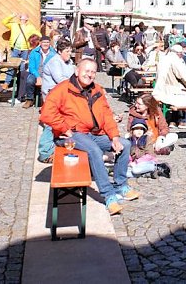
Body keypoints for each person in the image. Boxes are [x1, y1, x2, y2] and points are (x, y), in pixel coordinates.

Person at [40, 58, 138, 214]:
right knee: (94, 151)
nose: (90, 75)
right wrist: (65, 128)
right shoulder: (62, 89)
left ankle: (120, 185)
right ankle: (108, 195)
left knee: (125, 144)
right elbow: (46, 114)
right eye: (87, 71)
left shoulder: (97, 90)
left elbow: (106, 115)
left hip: (92, 134)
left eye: (93, 72)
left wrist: (114, 137)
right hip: (70, 135)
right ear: (77, 71)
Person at [153, 44, 186, 127]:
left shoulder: (163, 59)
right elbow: (182, 75)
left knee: (174, 101)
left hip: (163, 89)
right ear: (178, 53)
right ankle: (184, 120)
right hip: (174, 88)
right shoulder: (175, 60)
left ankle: (173, 121)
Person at [1, 12, 40, 86]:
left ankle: (21, 85)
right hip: (15, 48)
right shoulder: (14, 25)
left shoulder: (30, 27)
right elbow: (4, 22)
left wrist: (40, 41)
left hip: (25, 50)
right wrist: (11, 16)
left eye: (24, 18)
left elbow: (37, 34)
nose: (22, 19)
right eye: (21, 18)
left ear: (27, 19)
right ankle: (6, 83)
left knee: (22, 68)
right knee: (11, 66)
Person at [22, 35, 56, 108]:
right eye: (44, 42)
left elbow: (55, 67)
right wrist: (37, 76)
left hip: (49, 74)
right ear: (40, 43)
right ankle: (29, 99)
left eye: (47, 42)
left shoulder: (54, 54)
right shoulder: (34, 52)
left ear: (50, 43)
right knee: (30, 81)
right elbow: (31, 67)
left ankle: (50, 101)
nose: (45, 44)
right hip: (36, 72)